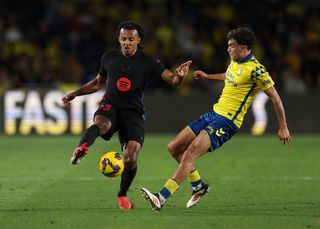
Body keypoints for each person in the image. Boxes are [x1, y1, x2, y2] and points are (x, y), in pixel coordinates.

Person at [141, 27, 292, 211]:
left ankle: (161, 197)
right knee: (174, 148)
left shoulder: (256, 70)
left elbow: (275, 97)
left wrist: (283, 126)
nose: (228, 49)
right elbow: (230, 77)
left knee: (189, 153)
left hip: (227, 122)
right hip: (214, 114)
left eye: (232, 46)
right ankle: (199, 186)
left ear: (244, 48)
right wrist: (207, 76)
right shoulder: (235, 61)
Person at [61, 21, 192, 211]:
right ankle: (82, 148)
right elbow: (98, 83)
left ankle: (122, 194)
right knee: (102, 125)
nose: (127, 43)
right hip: (111, 105)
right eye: (123, 39)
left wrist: (179, 76)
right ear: (119, 39)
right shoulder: (109, 58)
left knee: (130, 157)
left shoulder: (149, 62)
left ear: (139, 40)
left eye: (131, 39)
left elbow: (171, 80)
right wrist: (75, 93)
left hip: (133, 112)